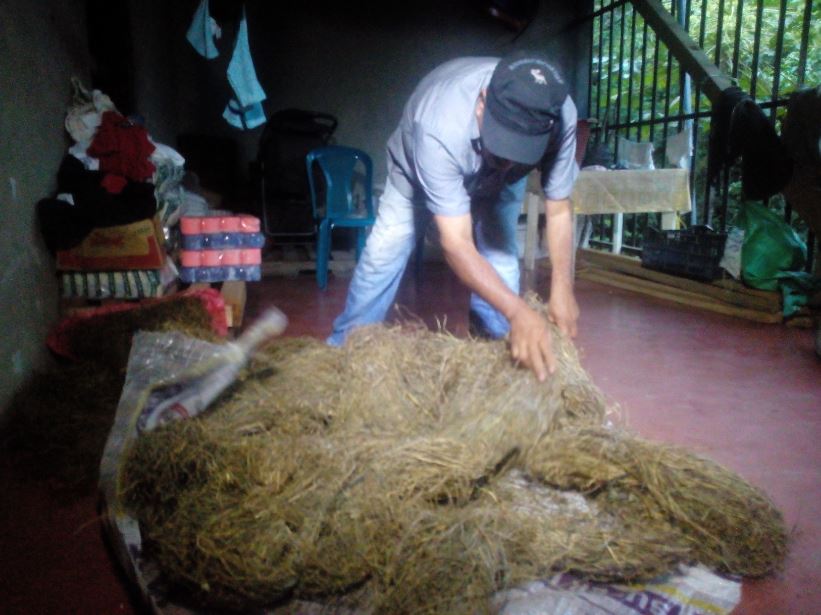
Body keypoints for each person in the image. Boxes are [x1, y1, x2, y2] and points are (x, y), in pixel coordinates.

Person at [327, 50, 580, 381]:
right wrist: (519, 310)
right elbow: (457, 243)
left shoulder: (560, 113)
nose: (506, 159)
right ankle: (342, 353)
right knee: (384, 253)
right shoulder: (437, 125)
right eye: (503, 145)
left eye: (520, 149)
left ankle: (500, 360)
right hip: (418, 170)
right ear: (482, 103)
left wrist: (563, 287)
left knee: (501, 257)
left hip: (500, 182)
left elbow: (559, 209)